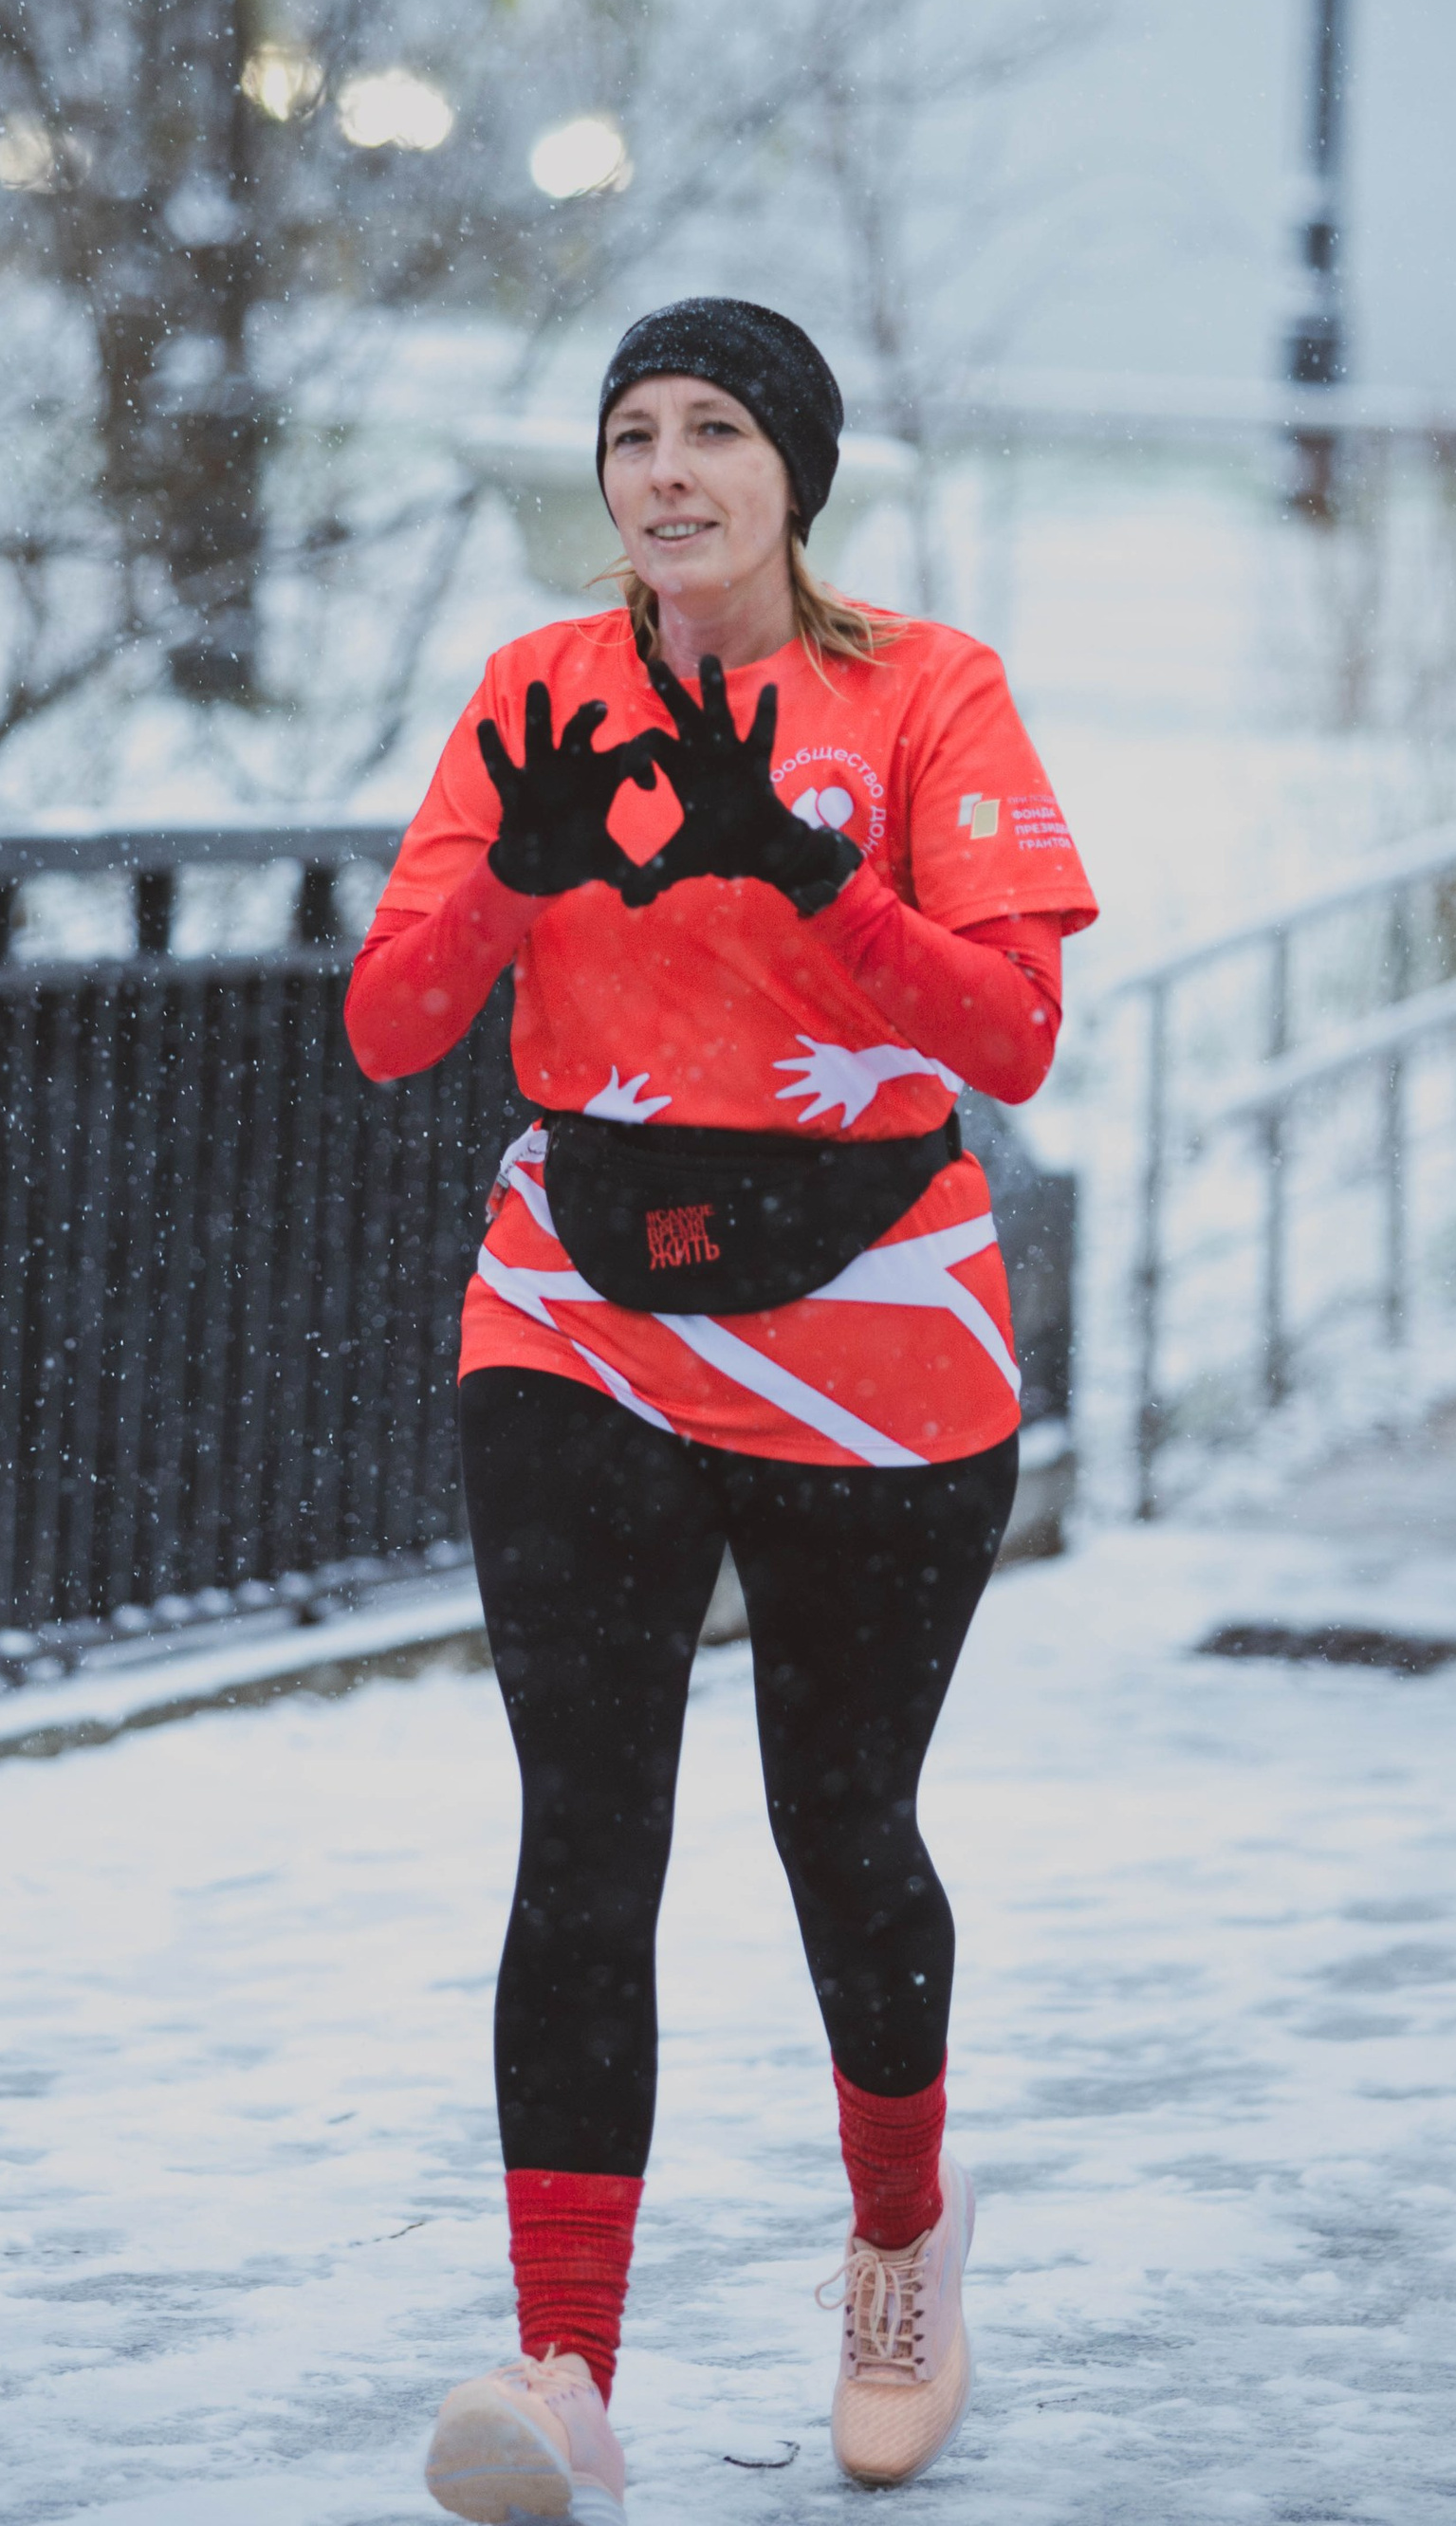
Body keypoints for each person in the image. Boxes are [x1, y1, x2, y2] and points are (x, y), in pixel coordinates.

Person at [345, 298, 1096, 2519]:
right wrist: (515, 870)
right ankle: (560, 2368)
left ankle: (895, 2240)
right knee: (585, 1836)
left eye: (714, 432)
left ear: (796, 470)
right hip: (576, 1304)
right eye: (630, 435)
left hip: (871, 1317)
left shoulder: (921, 688)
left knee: (833, 1831)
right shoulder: (534, 698)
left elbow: (1014, 1036)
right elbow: (393, 1026)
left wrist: (810, 876)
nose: (665, 472)